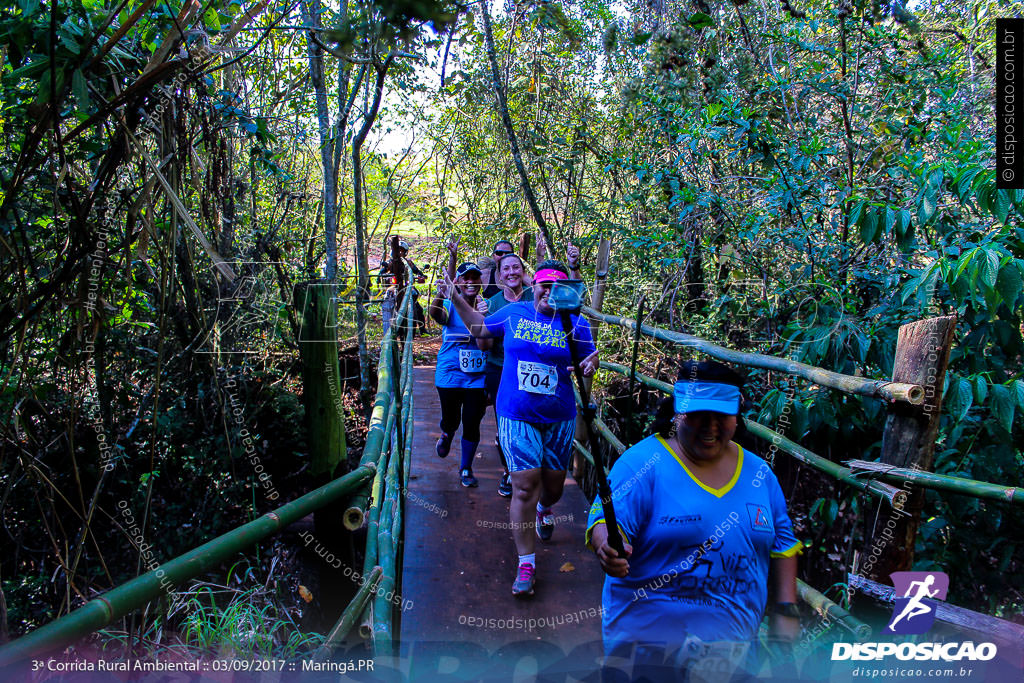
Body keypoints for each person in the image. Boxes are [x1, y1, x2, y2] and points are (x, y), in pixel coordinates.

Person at [586, 360, 802, 681]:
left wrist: (785, 608)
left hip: (734, 656)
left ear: (736, 417)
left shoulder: (760, 475)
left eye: (721, 416)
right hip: (648, 652)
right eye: (698, 415)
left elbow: (783, 545)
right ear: (676, 412)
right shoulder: (642, 464)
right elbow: (607, 521)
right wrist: (608, 546)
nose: (710, 426)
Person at [446, 260, 599, 598]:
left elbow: (591, 360)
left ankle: (546, 510)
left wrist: (590, 365)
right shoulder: (515, 314)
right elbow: (481, 330)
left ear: (565, 290)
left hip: (559, 415)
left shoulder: (576, 323)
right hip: (516, 412)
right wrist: (457, 298)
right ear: (535, 286)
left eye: (556, 286)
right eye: (543, 284)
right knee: (525, 486)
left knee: (553, 488)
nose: (549, 291)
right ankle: (526, 563)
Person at [427, 261, 490, 487]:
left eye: (475, 277)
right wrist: (440, 293)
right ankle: (446, 432)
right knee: (452, 419)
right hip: (450, 374)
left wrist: (485, 315)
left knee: (472, 421)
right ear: (459, 283)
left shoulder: (487, 305)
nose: (471, 282)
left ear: (481, 281)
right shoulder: (450, 304)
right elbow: (435, 314)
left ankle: (466, 468)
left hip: (477, 376)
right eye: (466, 278)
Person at [484, 252, 532, 498]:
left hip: (531, 369)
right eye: (506, 269)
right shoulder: (493, 302)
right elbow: (483, 340)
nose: (512, 273)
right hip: (499, 368)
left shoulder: (537, 296)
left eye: (516, 267)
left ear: (523, 271)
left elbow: (565, 304)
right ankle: (508, 471)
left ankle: (532, 474)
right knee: (505, 423)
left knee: (531, 421)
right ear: (499, 275)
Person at [380, 239, 427, 335]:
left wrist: (421, 275)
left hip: (406, 286)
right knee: (387, 302)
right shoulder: (389, 262)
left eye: (401, 250)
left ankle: (422, 330)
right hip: (393, 287)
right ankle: (388, 330)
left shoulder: (408, 263)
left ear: (405, 252)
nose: (399, 252)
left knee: (418, 307)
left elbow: (417, 271)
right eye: (398, 250)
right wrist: (382, 277)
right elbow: (380, 273)